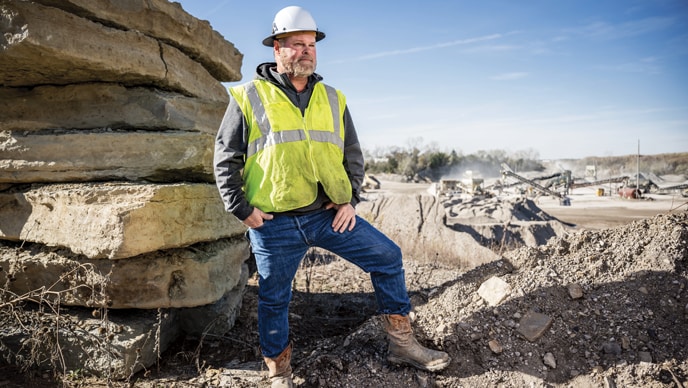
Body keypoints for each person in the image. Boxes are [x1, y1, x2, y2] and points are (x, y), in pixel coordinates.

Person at [213, 6, 450, 387]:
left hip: (327, 215)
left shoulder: (333, 98)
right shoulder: (248, 97)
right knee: (275, 298)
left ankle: (402, 344)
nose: (306, 51)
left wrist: (349, 200)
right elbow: (225, 157)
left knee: (387, 257)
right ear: (277, 48)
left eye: (311, 44)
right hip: (274, 224)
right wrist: (241, 209)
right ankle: (279, 372)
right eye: (296, 44)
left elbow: (351, 154)